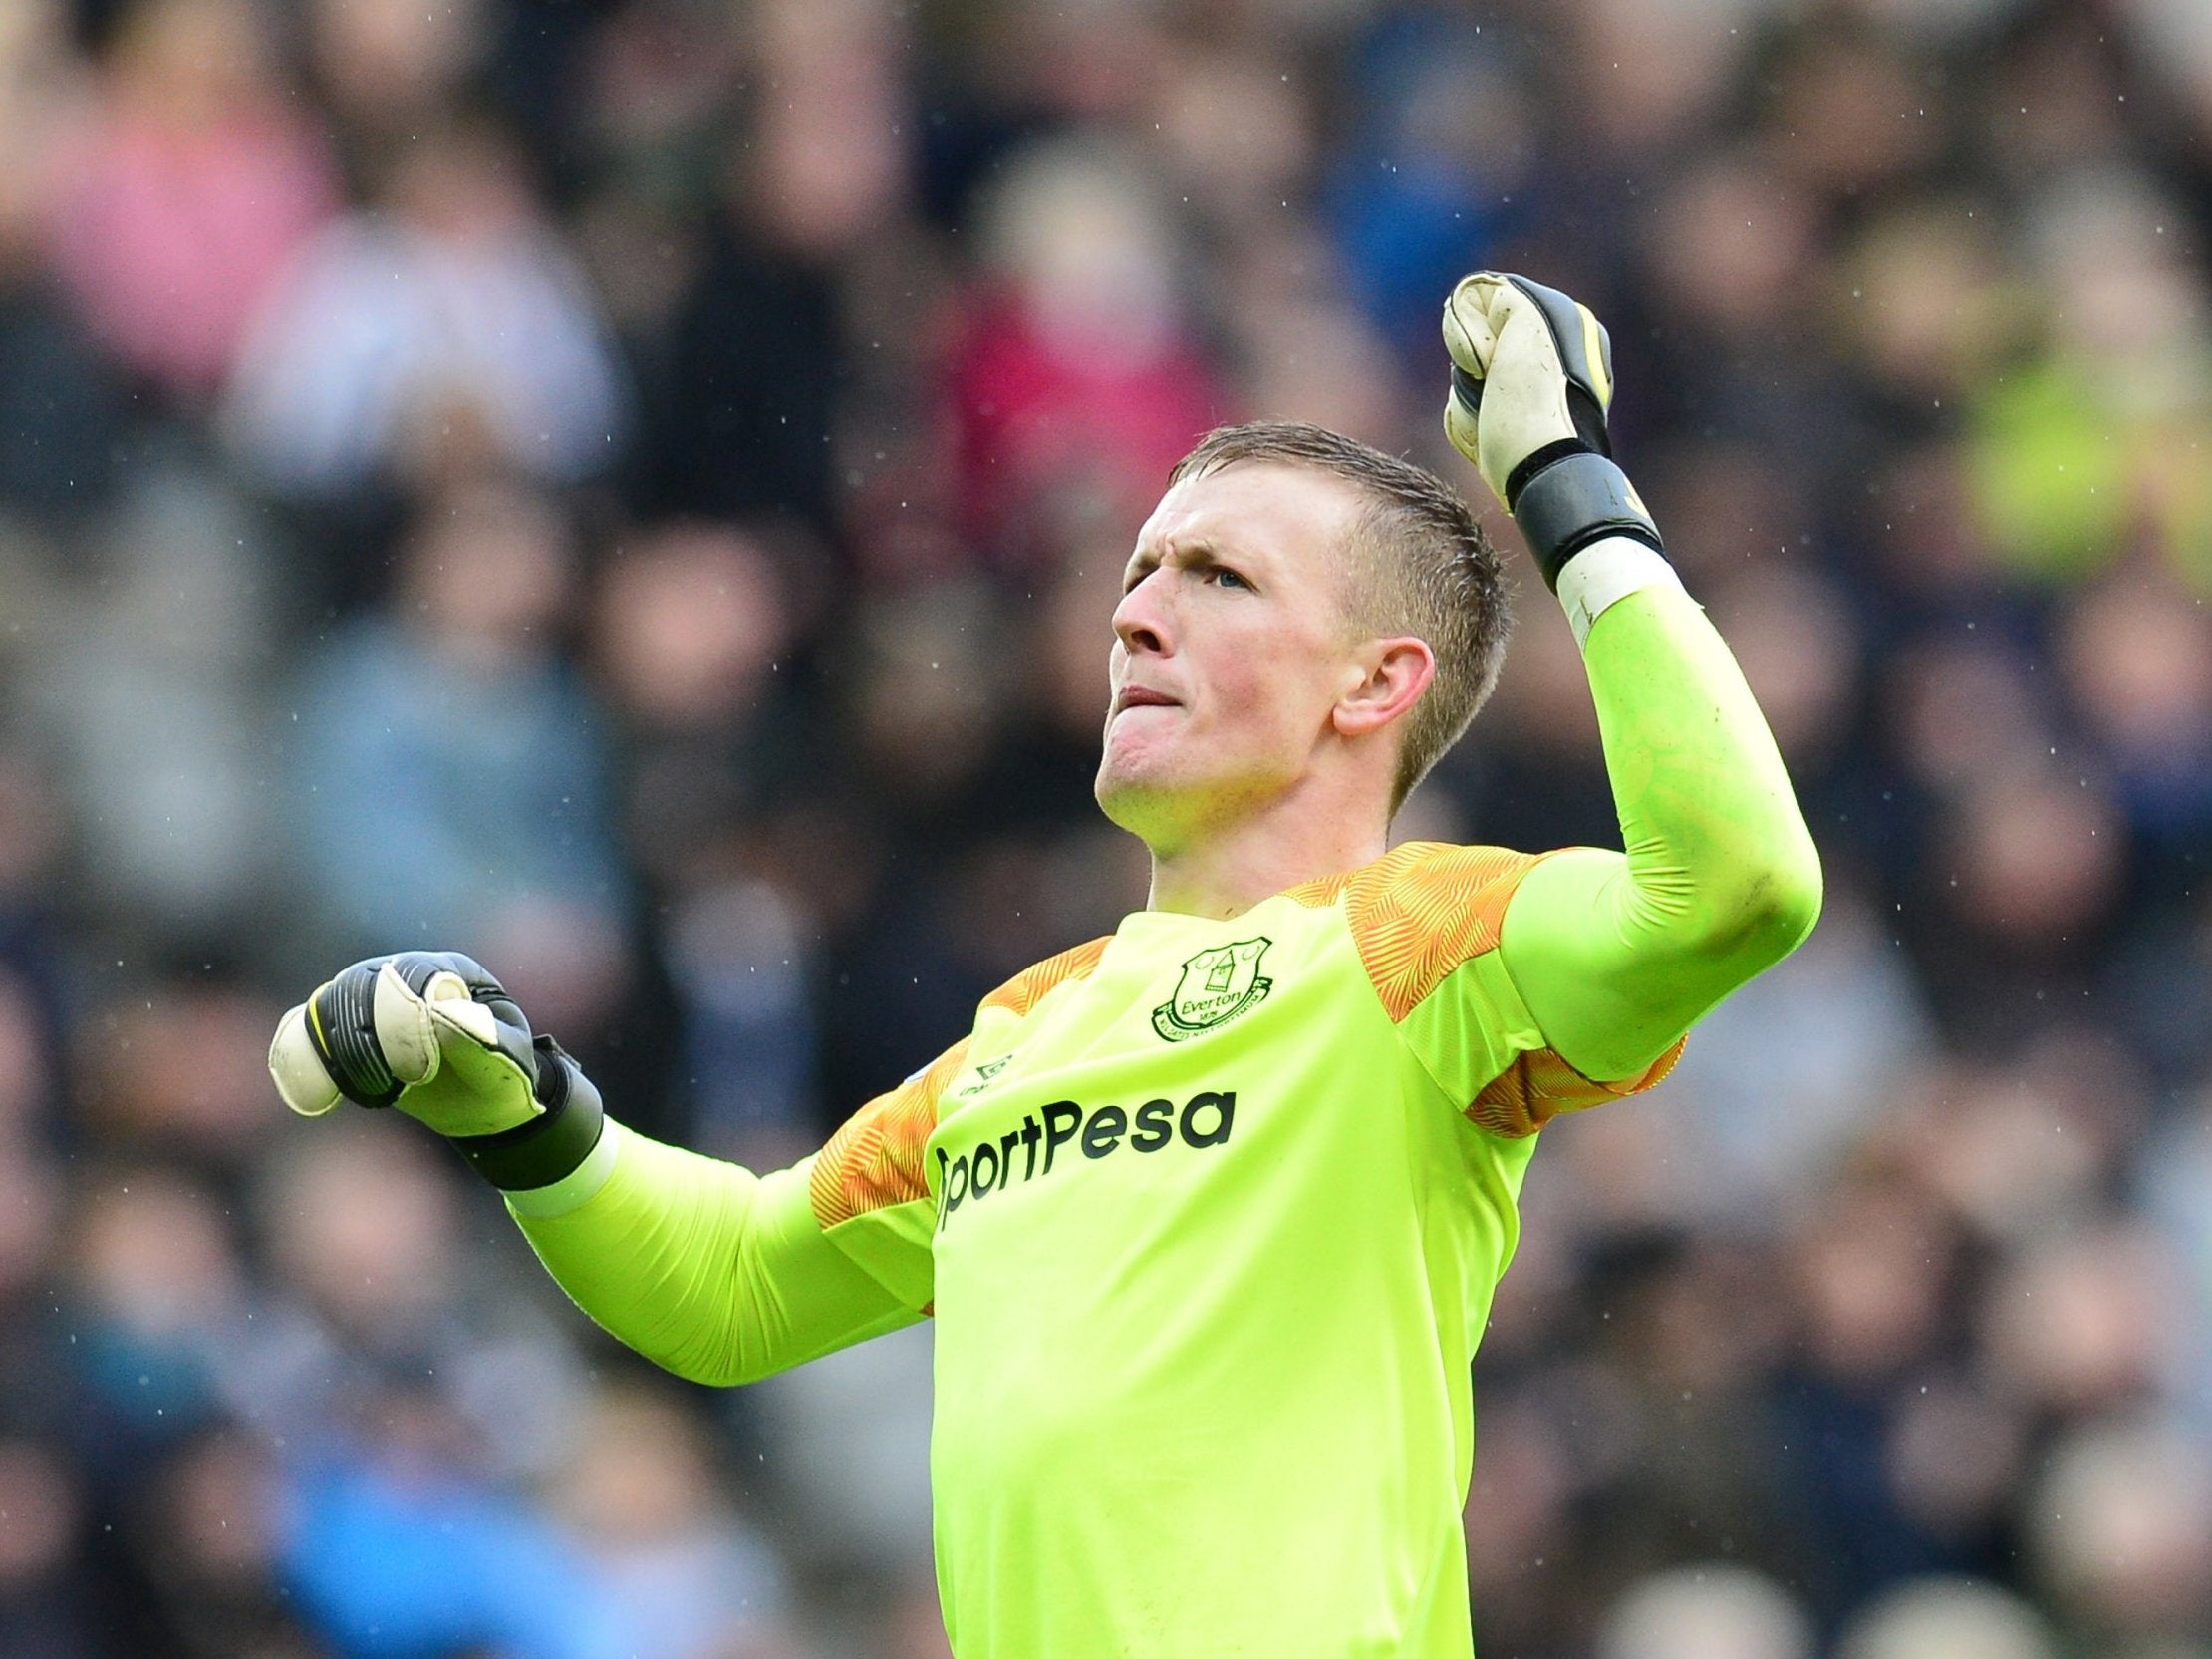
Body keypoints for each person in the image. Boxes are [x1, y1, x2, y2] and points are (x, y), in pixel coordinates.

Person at [268, 273, 1821, 1656]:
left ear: (1378, 683)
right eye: (1142, 571)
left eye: (1220, 579)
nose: (1137, 613)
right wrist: (524, 1109)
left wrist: (1569, 489)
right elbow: (735, 1284)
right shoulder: (1027, 1027)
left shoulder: (1425, 942)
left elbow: (1737, 885)